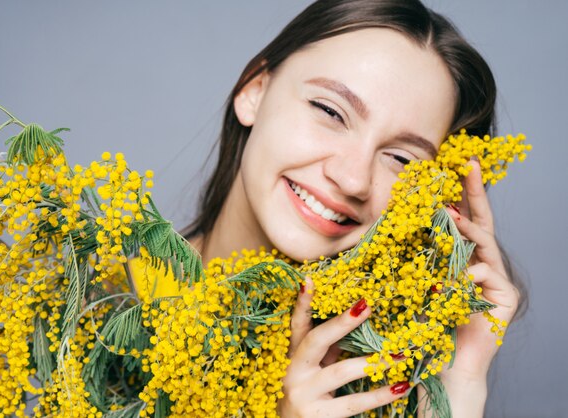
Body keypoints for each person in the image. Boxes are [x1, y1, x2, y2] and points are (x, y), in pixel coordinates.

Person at [152, 0, 522, 416]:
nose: (353, 179)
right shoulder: (96, 314)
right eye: (330, 111)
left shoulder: (380, 382)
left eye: (402, 159)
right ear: (255, 90)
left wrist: (459, 387)